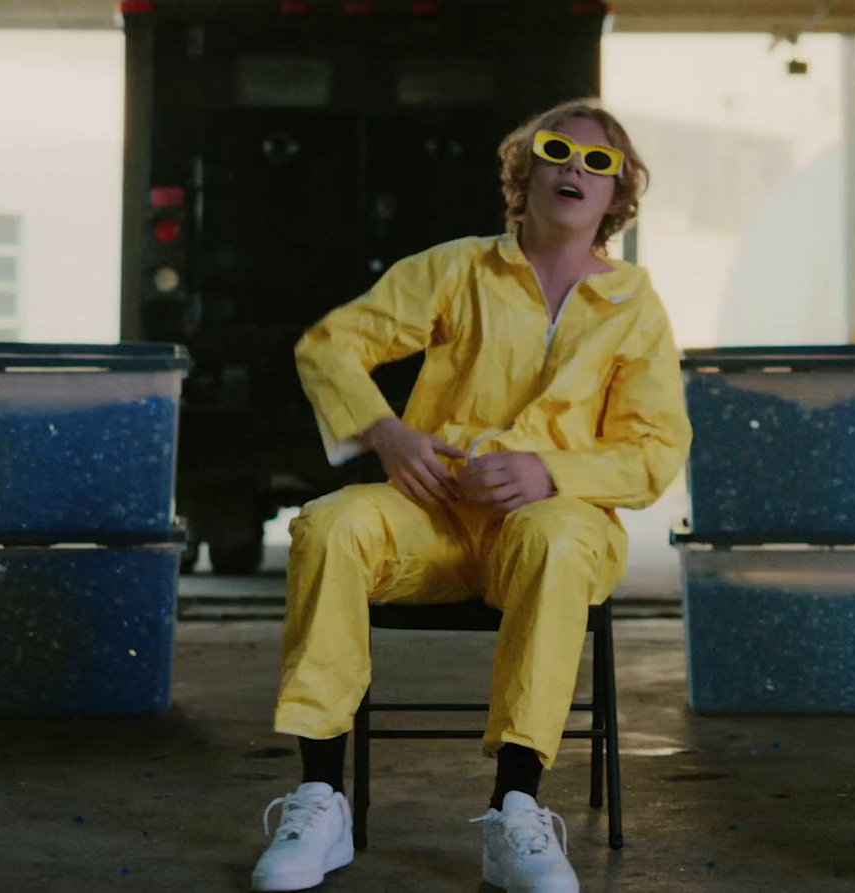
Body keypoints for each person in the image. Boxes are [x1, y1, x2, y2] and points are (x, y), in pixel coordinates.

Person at [251, 98, 692, 893]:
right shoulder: (458, 268)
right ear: (525, 172)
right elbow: (331, 344)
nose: (575, 168)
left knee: (557, 540)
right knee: (329, 525)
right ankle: (321, 800)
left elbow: (657, 448)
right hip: (433, 513)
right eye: (558, 150)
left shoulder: (635, 309)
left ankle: (514, 811)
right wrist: (386, 432)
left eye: (600, 162)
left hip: (551, 526)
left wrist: (551, 473)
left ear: (617, 196)